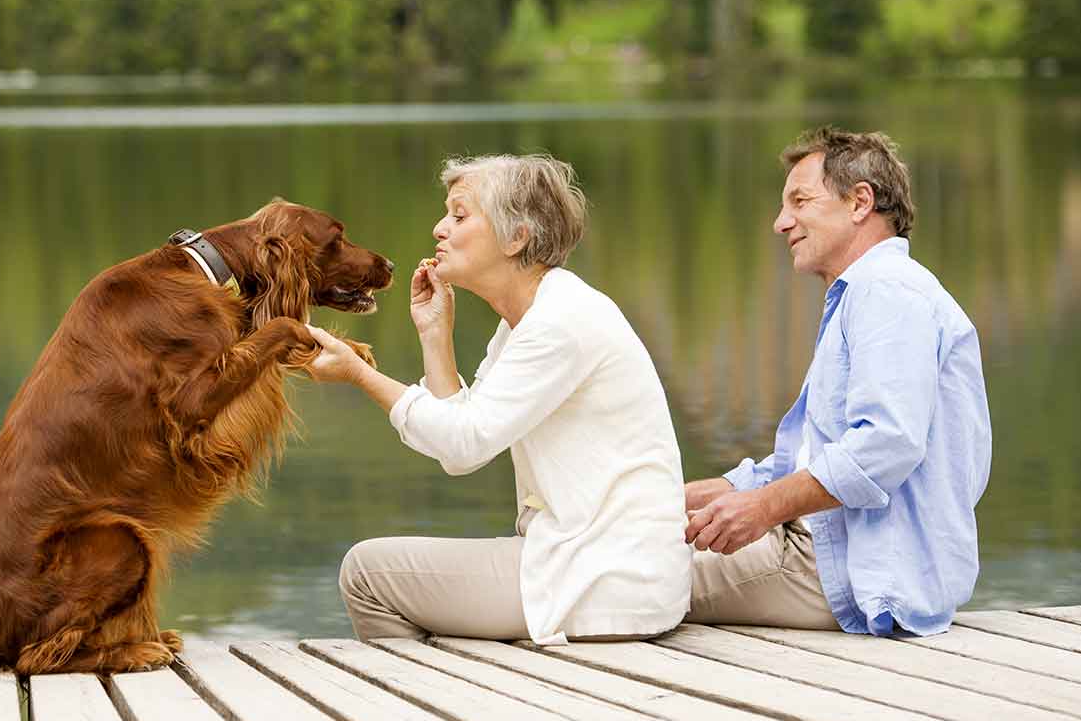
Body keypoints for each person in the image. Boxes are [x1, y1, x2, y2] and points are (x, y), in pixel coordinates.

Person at [306, 154, 690, 645]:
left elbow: (464, 443)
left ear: (517, 237)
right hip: (596, 567)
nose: (439, 228)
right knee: (382, 574)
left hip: (602, 580)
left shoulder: (559, 323)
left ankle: (406, 706)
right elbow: (459, 451)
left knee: (366, 573)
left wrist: (359, 374)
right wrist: (434, 336)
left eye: (460, 215)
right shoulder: (531, 320)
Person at [684, 126, 991, 636]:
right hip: (822, 554)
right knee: (638, 540)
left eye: (799, 201)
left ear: (859, 202)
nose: (781, 223)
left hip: (850, 575)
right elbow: (812, 459)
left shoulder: (887, 293)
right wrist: (706, 495)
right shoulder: (868, 293)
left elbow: (886, 444)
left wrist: (761, 509)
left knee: (616, 577)